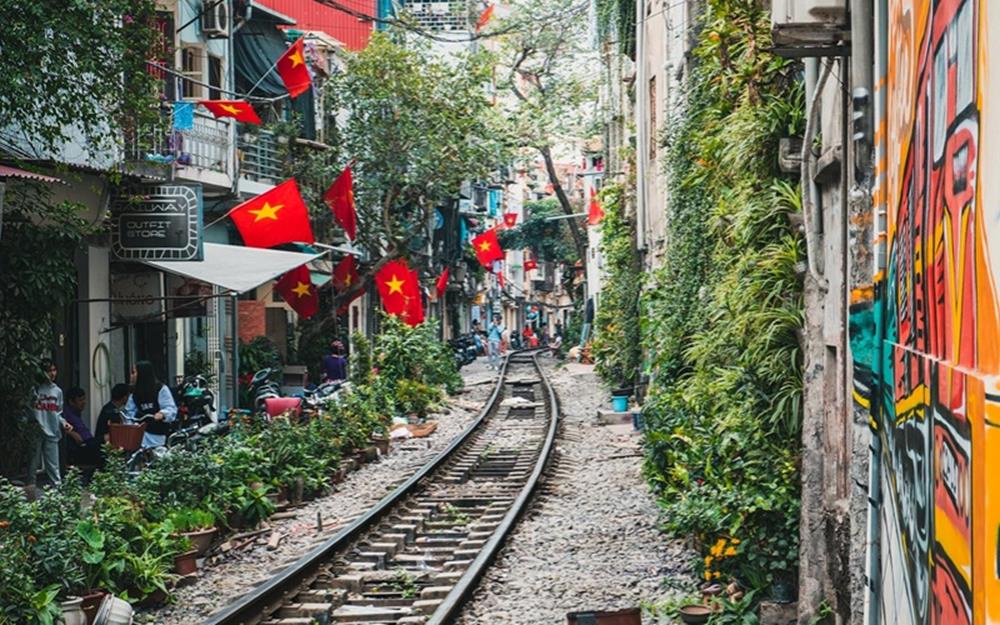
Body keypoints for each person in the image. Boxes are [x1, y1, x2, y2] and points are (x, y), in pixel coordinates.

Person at [124, 361, 177, 449]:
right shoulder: (134, 394)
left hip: (157, 434)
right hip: (141, 434)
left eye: (134, 372)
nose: (131, 376)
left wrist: (162, 414)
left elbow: (170, 407)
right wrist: (130, 424)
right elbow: (129, 412)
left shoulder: (160, 389)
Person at [28, 358, 64, 487]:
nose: (52, 374)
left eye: (54, 370)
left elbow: (58, 412)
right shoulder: (35, 389)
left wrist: (64, 423)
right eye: (49, 371)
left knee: (53, 465)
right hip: (37, 429)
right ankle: (30, 491)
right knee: (33, 464)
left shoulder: (57, 391)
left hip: (52, 430)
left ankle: (57, 492)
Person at [62, 387, 103, 469]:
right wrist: (71, 433)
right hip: (81, 447)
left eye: (84, 399)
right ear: (71, 402)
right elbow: (59, 425)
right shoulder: (66, 414)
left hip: (88, 443)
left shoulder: (76, 413)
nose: (84, 402)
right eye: (80, 400)